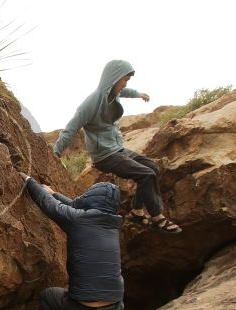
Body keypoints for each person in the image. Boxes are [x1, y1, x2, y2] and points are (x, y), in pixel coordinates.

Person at [53, 60, 181, 234]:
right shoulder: (90, 103)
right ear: (113, 79)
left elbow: (125, 91)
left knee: (153, 168)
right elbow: (70, 129)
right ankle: (157, 217)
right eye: (124, 80)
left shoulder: (114, 93)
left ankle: (136, 211)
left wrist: (138, 94)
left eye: (127, 80)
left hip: (117, 148)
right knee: (146, 174)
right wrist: (55, 153)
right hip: (104, 156)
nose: (125, 84)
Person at [20, 172, 124, 310]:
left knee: (47, 296)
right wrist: (54, 193)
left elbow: (49, 205)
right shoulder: (113, 226)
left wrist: (29, 181)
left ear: (91, 198)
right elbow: (75, 205)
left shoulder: (78, 220)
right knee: (102, 284)